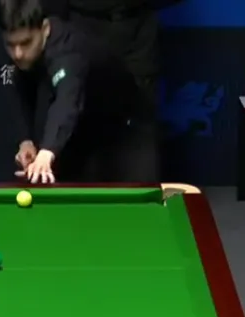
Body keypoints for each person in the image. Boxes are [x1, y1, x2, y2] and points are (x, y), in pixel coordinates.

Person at [0, 0, 152, 184]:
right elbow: (22, 93)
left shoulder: (68, 50)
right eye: (10, 44)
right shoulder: (24, 52)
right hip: (83, 129)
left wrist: (47, 151)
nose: (18, 54)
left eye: (25, 43)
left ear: (45, 29)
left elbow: (67, 101)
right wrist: (26, 141)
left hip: (127, 128)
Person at [44, 0, 178, 183]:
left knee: (139, 123)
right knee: (80, 118)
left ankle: (143, 194)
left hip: (137, 32)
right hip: (82, 28)